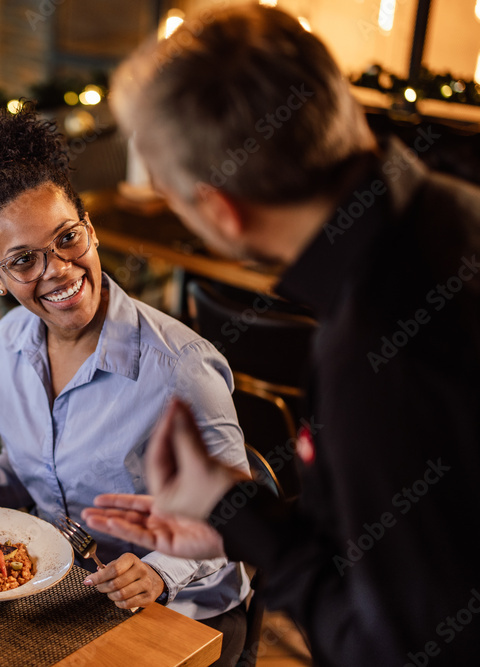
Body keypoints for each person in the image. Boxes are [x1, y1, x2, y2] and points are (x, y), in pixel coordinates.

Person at [83, 6, 480, 667]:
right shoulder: (450, 206)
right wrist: (229, 508)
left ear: (219, 211)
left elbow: (388, 645)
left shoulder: (377, 351)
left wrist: (263, 540)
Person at [0, 108, 251, 665]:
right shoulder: (9, 343)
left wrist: (157, 572)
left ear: (90, 228)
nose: (56, 269)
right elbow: (32, 471)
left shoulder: (181, 368)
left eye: (67, 238)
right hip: (67, 592)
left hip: (183, 618)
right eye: (23, 261)